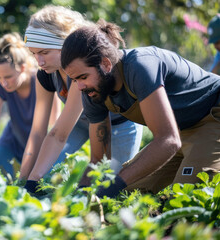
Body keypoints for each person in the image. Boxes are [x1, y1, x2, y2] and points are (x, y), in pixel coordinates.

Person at [61, 20, 220, 198]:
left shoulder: (140, 66)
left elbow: (168, 140)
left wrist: (115, 185)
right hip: (179, 132)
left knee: (186, 201)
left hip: (212, 117)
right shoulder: (93, 91)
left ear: (106, 64)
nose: (79, 87)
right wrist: (80, 196)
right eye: (74, 79)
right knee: (125, 196)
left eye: (82, 77)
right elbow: (99, 160)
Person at [20, 5, 143, 193]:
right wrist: (25, 179)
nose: (39, 61)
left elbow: (59, 134)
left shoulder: (80, 73)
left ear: (65, 45)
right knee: (43, 176)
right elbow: (38, 132)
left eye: (44, 52)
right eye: (34, 54)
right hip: (80, 123)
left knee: (110, 186)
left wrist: (33, 179)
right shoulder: (45, 74)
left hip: (118, 125)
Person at [0, 32, 60, 178]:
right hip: (12, 141)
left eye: (8, 77)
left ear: (23, 68)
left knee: (43, 185)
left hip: (41, 142)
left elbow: (53, 125)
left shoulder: (43, 79)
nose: (3, 83)